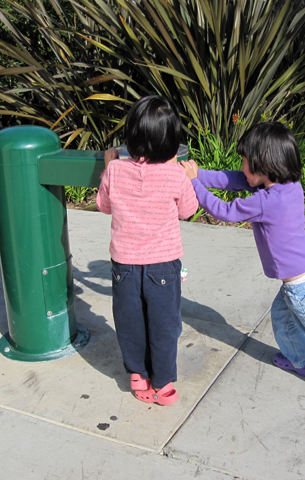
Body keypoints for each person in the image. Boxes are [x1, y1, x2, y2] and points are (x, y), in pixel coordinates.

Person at [182, 122, 305, 408]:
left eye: (245, 161)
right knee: (282, 319)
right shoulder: (287, 184)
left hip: (301, 286)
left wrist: (194, 182)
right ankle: (300, 361)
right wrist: (201, 174)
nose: (241, 166)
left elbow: (225, 211)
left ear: (263, 166)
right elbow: (237, 179)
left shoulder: (266, 201)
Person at [96, 95, 198, 406]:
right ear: (171, 142)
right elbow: (188, 210)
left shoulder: (114, 170)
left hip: (124, 265)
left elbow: (103, 205)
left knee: (130, 321)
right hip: (163, 266)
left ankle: (138, 375)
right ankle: (164, 383)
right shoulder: (175, 174)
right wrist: (190, 177)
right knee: (164, 325)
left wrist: (107, 165)